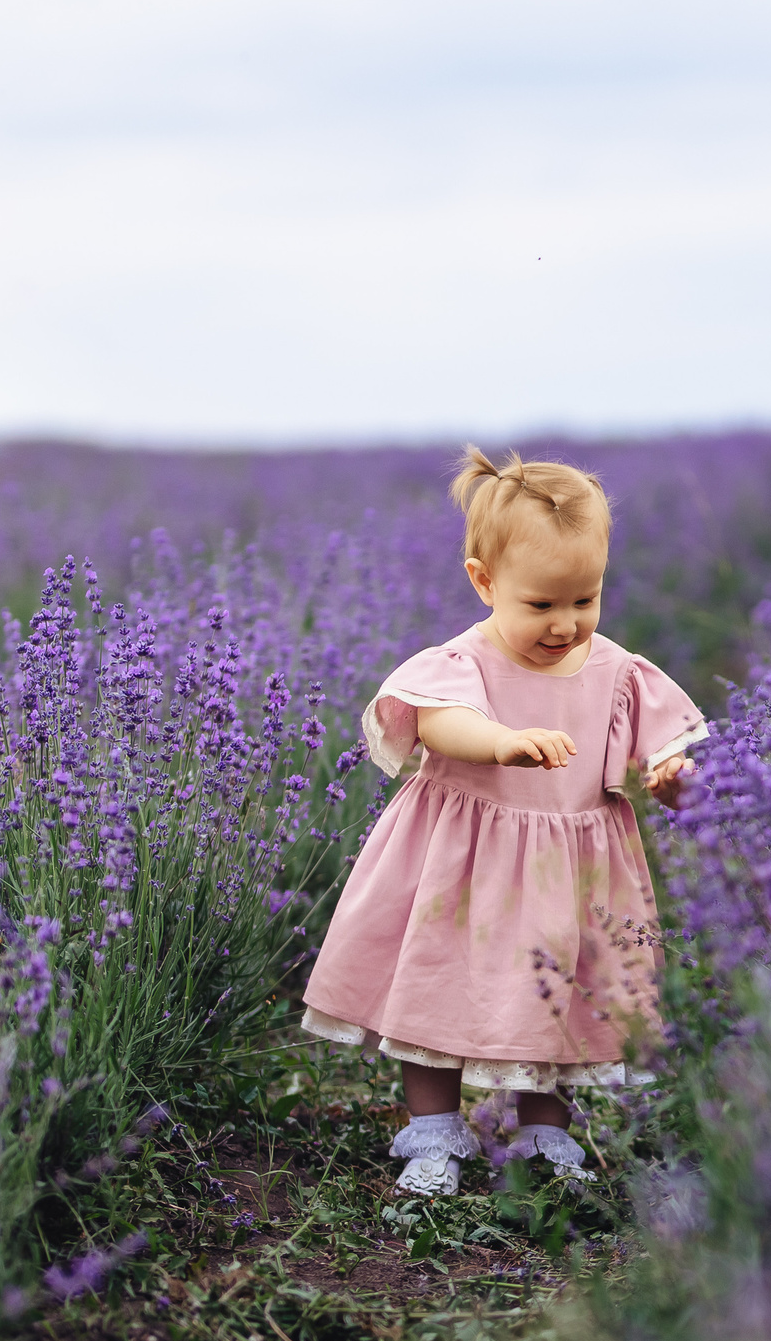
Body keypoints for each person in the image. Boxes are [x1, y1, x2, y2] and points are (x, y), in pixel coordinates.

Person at [301, 448, 707, 1197]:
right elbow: (438, 723)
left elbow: (669, 738)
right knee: (437, 983)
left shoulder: (617, 669)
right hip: (462, 860)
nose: (566, 624)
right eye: (542, 605)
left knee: (562, 991)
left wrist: (673, 777)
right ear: (483, 582)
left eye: (584, 600)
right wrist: (502, 743)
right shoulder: (462, 661)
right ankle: (433, 1130)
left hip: (571, 868)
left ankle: (542, 1128)